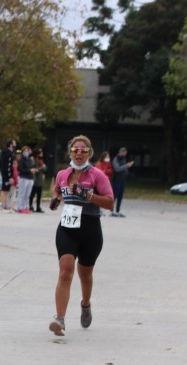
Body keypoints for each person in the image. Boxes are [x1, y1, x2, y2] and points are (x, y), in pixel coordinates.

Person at [48, 135, 114, 336]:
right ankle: (59, 319)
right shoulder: (62, 174)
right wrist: (56, 199)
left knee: (85, 274)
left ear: (89, 153)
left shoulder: (97, 176)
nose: (78, 154)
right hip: (67, 229)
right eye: (75, 150)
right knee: (65, 271)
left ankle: (85, 304)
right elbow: (57, 190)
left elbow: (110, 203)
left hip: (90, 229)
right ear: (70, 153)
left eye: (83, 150)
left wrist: (88, 195)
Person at [111, 147, 133, 217]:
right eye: (124, 152)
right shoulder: (116, 159)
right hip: (117, 180)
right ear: (121, 152)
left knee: (120, 197)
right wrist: (126, 165)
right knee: (115, 196)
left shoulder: (124, 159)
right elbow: (117, 169)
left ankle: (118, 211)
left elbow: (124, 169)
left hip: (123, 180)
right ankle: (112, 210)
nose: (125, 154)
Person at [15, 145, 37, 214]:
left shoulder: (30, 160)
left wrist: (34, 170)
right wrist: (29, 170)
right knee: (22, 193)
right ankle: (20, 207)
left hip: (30, 178)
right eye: (25, 151)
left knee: (27, 194)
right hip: (23, 178)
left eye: (27, 151)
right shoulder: (21, 160)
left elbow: (32, 166)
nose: (26, 152)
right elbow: (20, 169)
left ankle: (24, 207)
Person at [30, 149, 47, 213]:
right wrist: (41, 168)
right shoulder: (34, 161)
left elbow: (45, 169)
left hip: (40, 181)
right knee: (32, 194)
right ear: (37, 154)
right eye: (40, 153)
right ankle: (30, 206)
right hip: (35, 180)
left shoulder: (40, 161)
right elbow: (35, 169)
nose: (41, 154)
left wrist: (42, 167)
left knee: (39, 195)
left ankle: (38, 207)